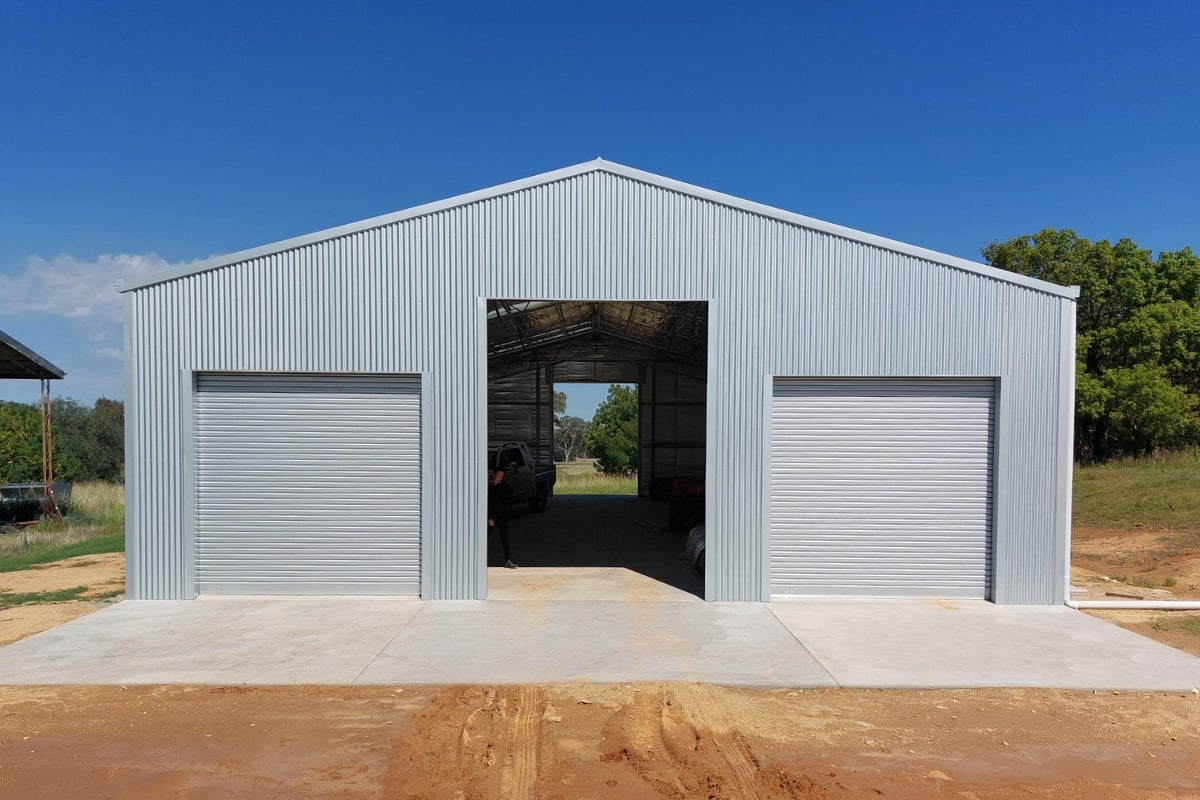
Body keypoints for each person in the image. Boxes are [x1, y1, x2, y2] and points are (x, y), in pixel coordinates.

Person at [487, 468, 517, 568]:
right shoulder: (488, 486)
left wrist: (506, 502)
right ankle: (481, 560)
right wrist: (489, 517)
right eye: (499, 475)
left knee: (505, 538)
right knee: (485, 539)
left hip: (501, 516)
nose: (501, 478)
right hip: (490, 517)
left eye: (502, 476)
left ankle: (507, 560)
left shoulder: (504, 486)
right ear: (494, 474)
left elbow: (511, 493)